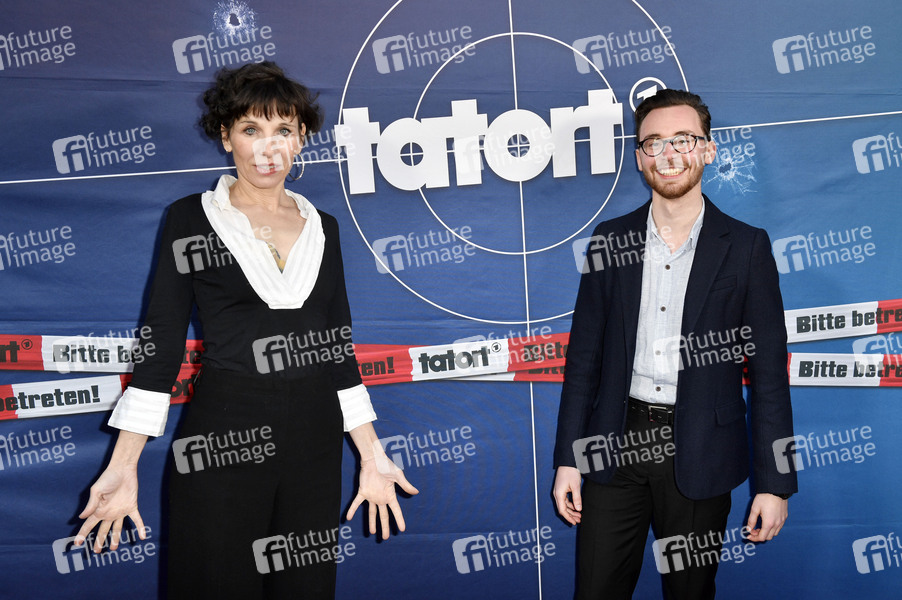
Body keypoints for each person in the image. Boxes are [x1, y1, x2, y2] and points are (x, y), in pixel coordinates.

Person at [74, 61, 417, 599]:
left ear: (300, 139)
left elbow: (337, 351)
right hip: (222, 438)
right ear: (225, 135)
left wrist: (372, 456)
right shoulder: (191, 218)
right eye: (251, 129)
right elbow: (161, 344)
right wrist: (124, 464)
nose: (267, 148)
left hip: (314, 443)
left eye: (283, 130)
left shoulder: (323, 227)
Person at [552, 89, 797, 599]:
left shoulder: (747, 247)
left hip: (703, 450)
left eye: (683, 139)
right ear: (639, 157)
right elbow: (584, 363)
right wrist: (569, 459)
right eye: (654, 142)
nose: (668, 154)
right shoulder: (609, 240)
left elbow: (770, 375)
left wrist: (774, 484)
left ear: (707, 149)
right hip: (614, 447)